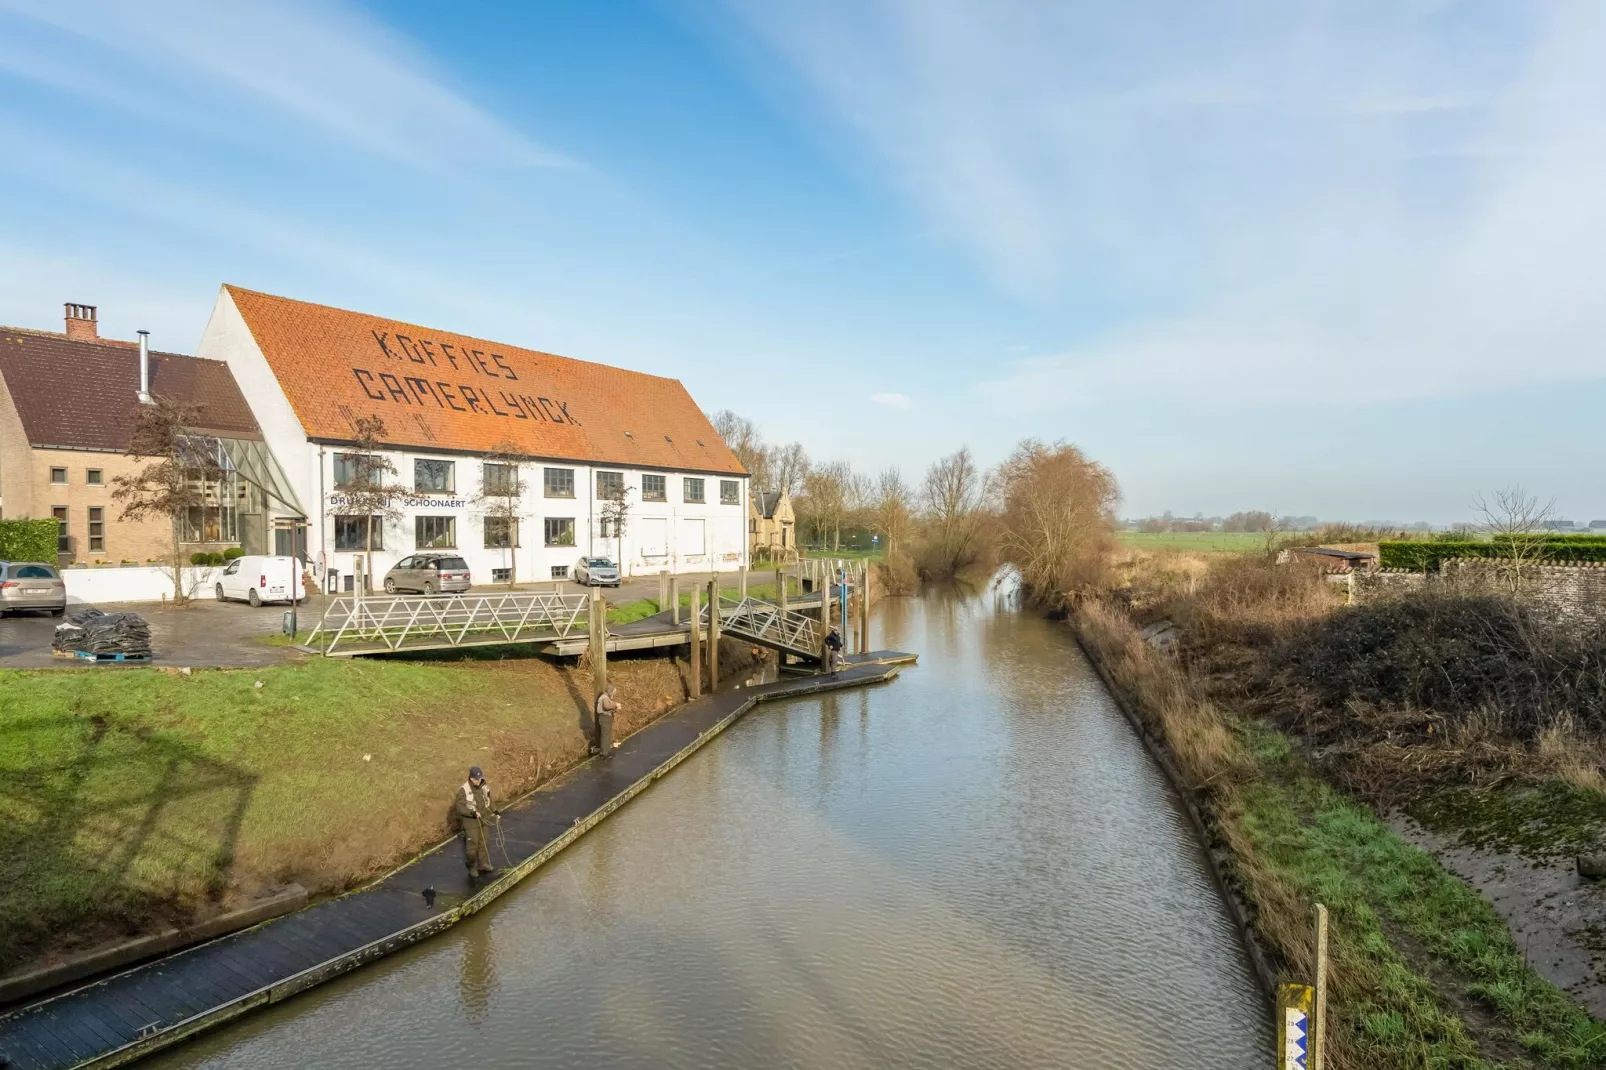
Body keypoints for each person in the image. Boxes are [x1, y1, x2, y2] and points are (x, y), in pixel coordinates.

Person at [455, 767, 495, 876]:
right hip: (471, 823)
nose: (479, 780)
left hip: (484, 820)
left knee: (484, 843)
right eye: (477, 779)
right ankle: (471, 867)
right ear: (471, 778)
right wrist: (472, 813)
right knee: (472, 847)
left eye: (480, 778)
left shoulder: (483, 785)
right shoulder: (464, 790)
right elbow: (459, 807)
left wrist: (495, 811)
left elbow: (489, 798)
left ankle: (483, 864)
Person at [594, 684, 621, 755]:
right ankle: (604, 752)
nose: (613, 694)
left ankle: (606, 749)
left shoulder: (605, 697)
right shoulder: (605, 698)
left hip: (606, 718)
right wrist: (615, 705)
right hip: (605, 718)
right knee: (605, 735)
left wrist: (615, 708)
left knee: (607, 734)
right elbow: (606, 706)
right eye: (613, 692)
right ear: (610, 691)